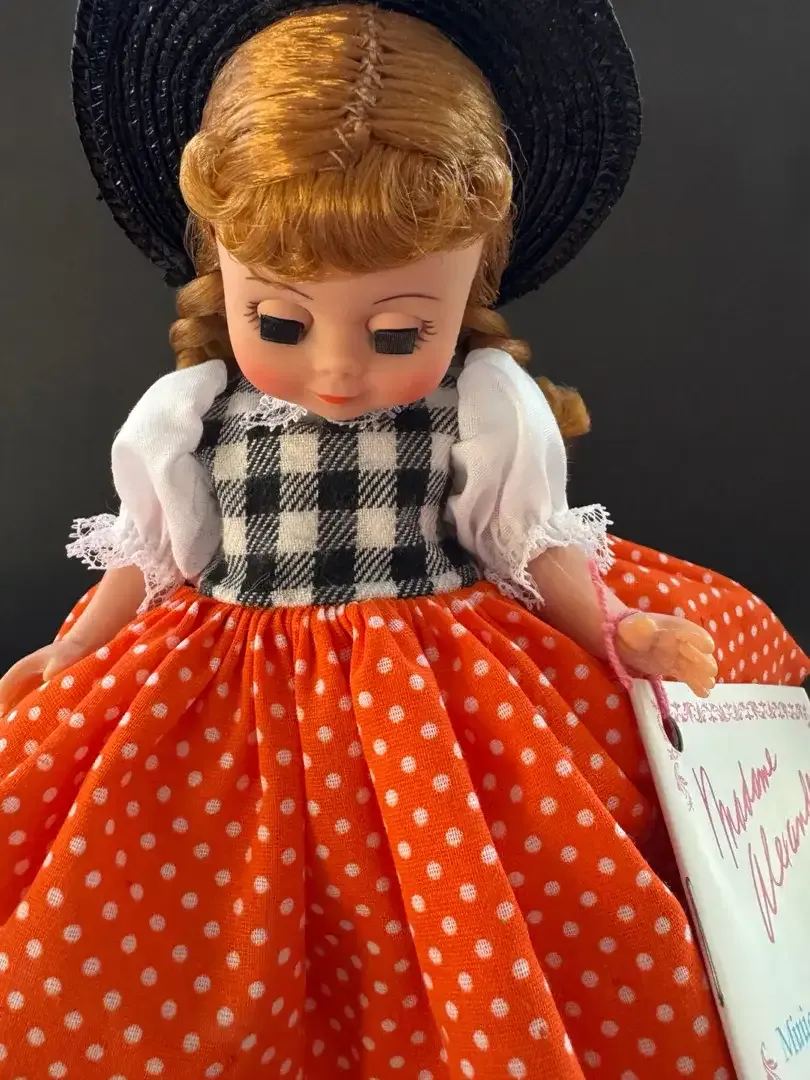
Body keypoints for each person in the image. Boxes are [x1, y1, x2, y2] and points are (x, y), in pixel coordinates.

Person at [0, 1, 805, 1076]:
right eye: (280, 322)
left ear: (472, 283)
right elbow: (158, 557)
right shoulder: (189, 413)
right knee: (186, 901)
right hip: (230, 698)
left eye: (397, 332)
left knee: (466, 904)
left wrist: (621, 629)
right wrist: (76, 648)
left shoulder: (482, 402)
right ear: (220, 270)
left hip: (436, 702)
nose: (337, 370)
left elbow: (524, 544)